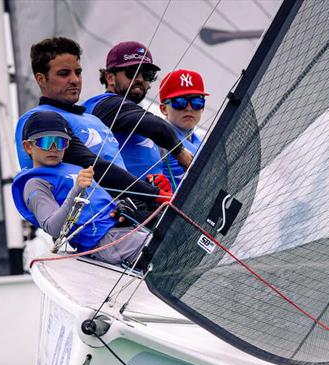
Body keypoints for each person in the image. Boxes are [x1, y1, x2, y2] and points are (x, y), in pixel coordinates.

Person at [13, 36, 166, 208]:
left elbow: (116, 168)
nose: (75, 80)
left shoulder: (92, 119)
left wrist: (150, 184)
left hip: (126, 213)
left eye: (78, 72)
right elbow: (92, 166)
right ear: (41, 79)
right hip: (95, 224)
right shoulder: (37, 118)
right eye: (64, 73)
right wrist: (152, 194)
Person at [12, 111, 148, 266]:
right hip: (107, 242)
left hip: (128, 231)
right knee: (171, 252)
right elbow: (53, 228)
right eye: (46, 141)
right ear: (28, 146)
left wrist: (123, 206)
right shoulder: (35, 184)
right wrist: (76, 190)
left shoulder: (74, 169)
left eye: (61, 142)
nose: (54, 148)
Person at [83, 41, 194, 181]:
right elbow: (158, 127)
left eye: (148, 74)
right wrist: (180, 151)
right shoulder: (104, 104)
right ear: (110, 78)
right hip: (120, 200)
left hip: (151, 199)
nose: (140, 79)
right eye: (132, 72)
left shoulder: (134, 113)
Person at [157, 69, 209, 189]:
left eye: (197, 102)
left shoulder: (204, 143)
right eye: (180, 102)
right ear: (163, 109)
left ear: (203, 108)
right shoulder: (155, 140)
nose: (189, 108)